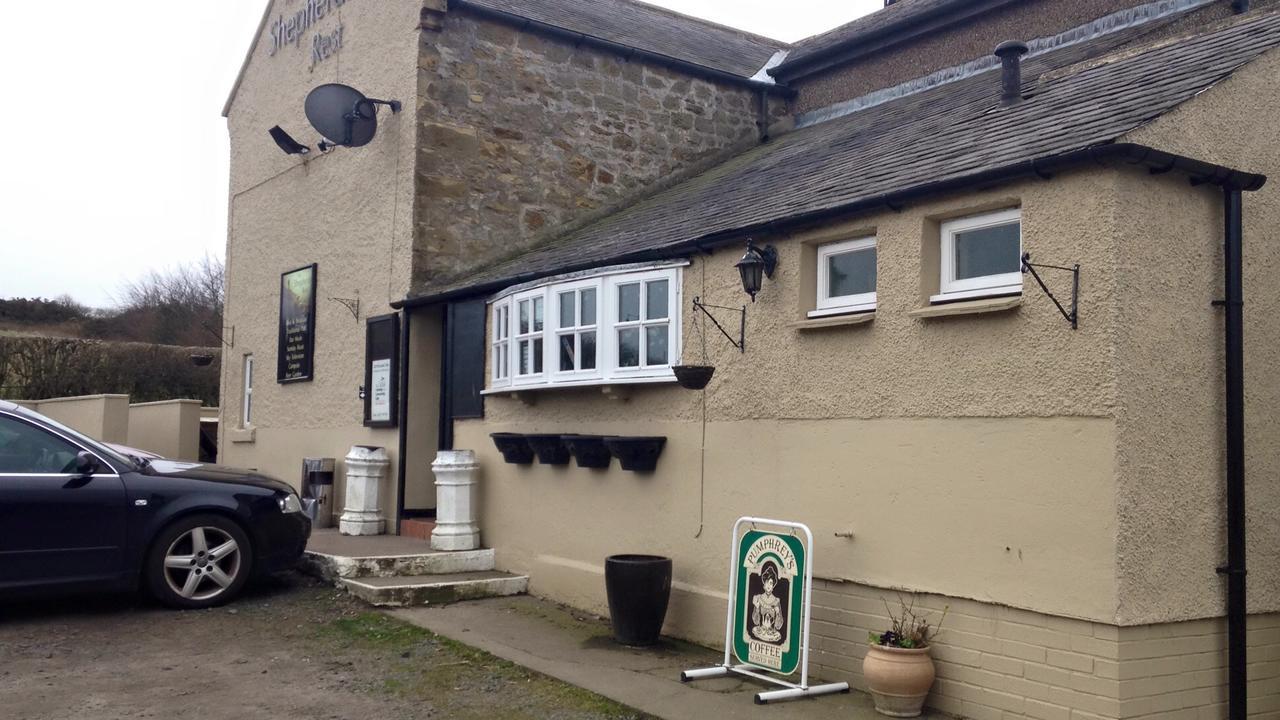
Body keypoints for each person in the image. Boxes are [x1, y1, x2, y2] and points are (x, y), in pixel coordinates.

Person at [750, 561, 785, 643]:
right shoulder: (759, 598)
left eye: (771, 583)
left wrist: (778, 613)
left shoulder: (776, 601)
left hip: (770, 634)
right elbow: (755, 621)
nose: (769, 586)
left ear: (773, 586)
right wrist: (757, 608)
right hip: (760, 632)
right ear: (764, 585)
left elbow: (778, 625)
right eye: (767, 583)